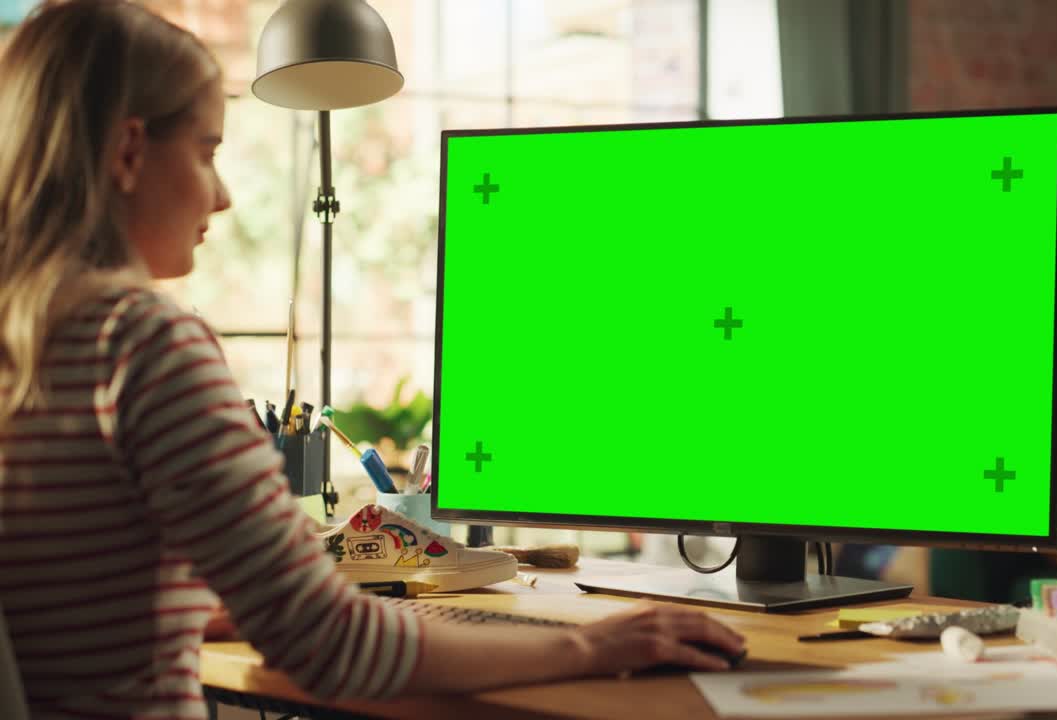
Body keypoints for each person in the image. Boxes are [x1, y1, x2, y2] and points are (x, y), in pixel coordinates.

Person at [0, 2, 744, 718]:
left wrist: (208, 606)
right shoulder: (140, 344)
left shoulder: (27, 341)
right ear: (130, 151)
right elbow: (330, 649)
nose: (223, 197)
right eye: (207, 151)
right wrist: (590, 644)